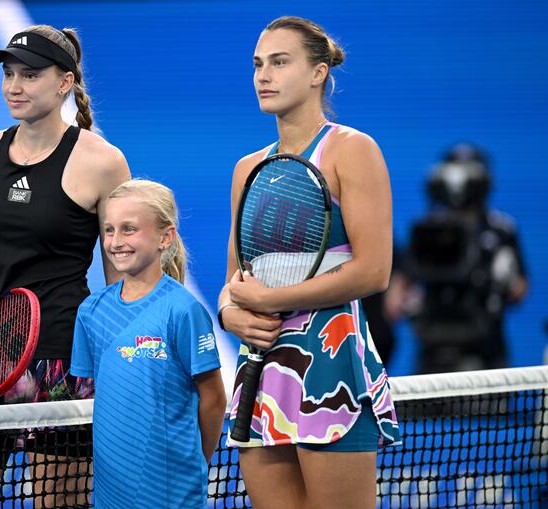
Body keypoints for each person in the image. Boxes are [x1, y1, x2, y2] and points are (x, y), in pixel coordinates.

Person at [0, 24, 131, 507]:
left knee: (57, 503)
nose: (14, 86)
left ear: (65, 83)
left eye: (29, 75)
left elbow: (120, 277)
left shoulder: (104, 162)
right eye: (9, 74)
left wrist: (119, 362)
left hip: (63, 359)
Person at [217, 17, 400, 509]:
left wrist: (272, 300)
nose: (263, 75)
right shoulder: (246, 168)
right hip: (260, 373)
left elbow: (373, 271)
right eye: (258, 64)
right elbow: (236, 279)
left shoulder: (352, 149)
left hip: (331, 369)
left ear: (318, 73)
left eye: (280, 62)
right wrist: (230, 314)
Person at [70, 179, 227, 508]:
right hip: (112, 497)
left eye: (129, 229)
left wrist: (195, 464)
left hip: (173, 494)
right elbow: (97, 394)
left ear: (164, 237)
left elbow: (213, 399)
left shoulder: (183, 310)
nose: (115, 241)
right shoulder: (91, 312)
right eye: (109, 230)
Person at [403, 143, 528, 373]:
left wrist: (503, 280)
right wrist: (411, 302)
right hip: (432, 352)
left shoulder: (502, 230)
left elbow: (519, 291)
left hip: (488, 351)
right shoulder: (427, 232)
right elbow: (397, 299)